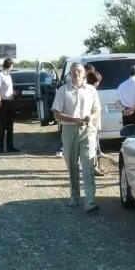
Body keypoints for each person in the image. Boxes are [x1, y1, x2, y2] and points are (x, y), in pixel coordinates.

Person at [51, 63, 101, 212]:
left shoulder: (91, 90)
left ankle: (90, 202)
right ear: (69, 74)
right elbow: (56, 113)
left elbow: (97, 110)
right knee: (72, 165)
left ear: (84, 73)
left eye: (79, 71)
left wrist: (89, 117)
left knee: (88, 166)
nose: (76, 74)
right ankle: (74, 196)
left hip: (88, 130)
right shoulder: (63, 90)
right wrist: (73, 120)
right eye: (73, 71)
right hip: (69, 130)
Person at [0, 58, 20, 153]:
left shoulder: (8, 75)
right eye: (12, 65)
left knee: (10, 126)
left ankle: (10, 147)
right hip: (4, 102)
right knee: (3, 126)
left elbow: (7, 88)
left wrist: (13, 93)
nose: (13, 67)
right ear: (9, 65)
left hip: (10, 101)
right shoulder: (0, 75)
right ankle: (0, 147)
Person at [86, 70, 105, 177]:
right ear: (96, 81)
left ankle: (96, 167)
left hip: (93, 123)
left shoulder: (87, 90)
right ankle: (94, 168)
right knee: (94, 146)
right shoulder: (91, 90)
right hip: (93, 124)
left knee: (95, 146)